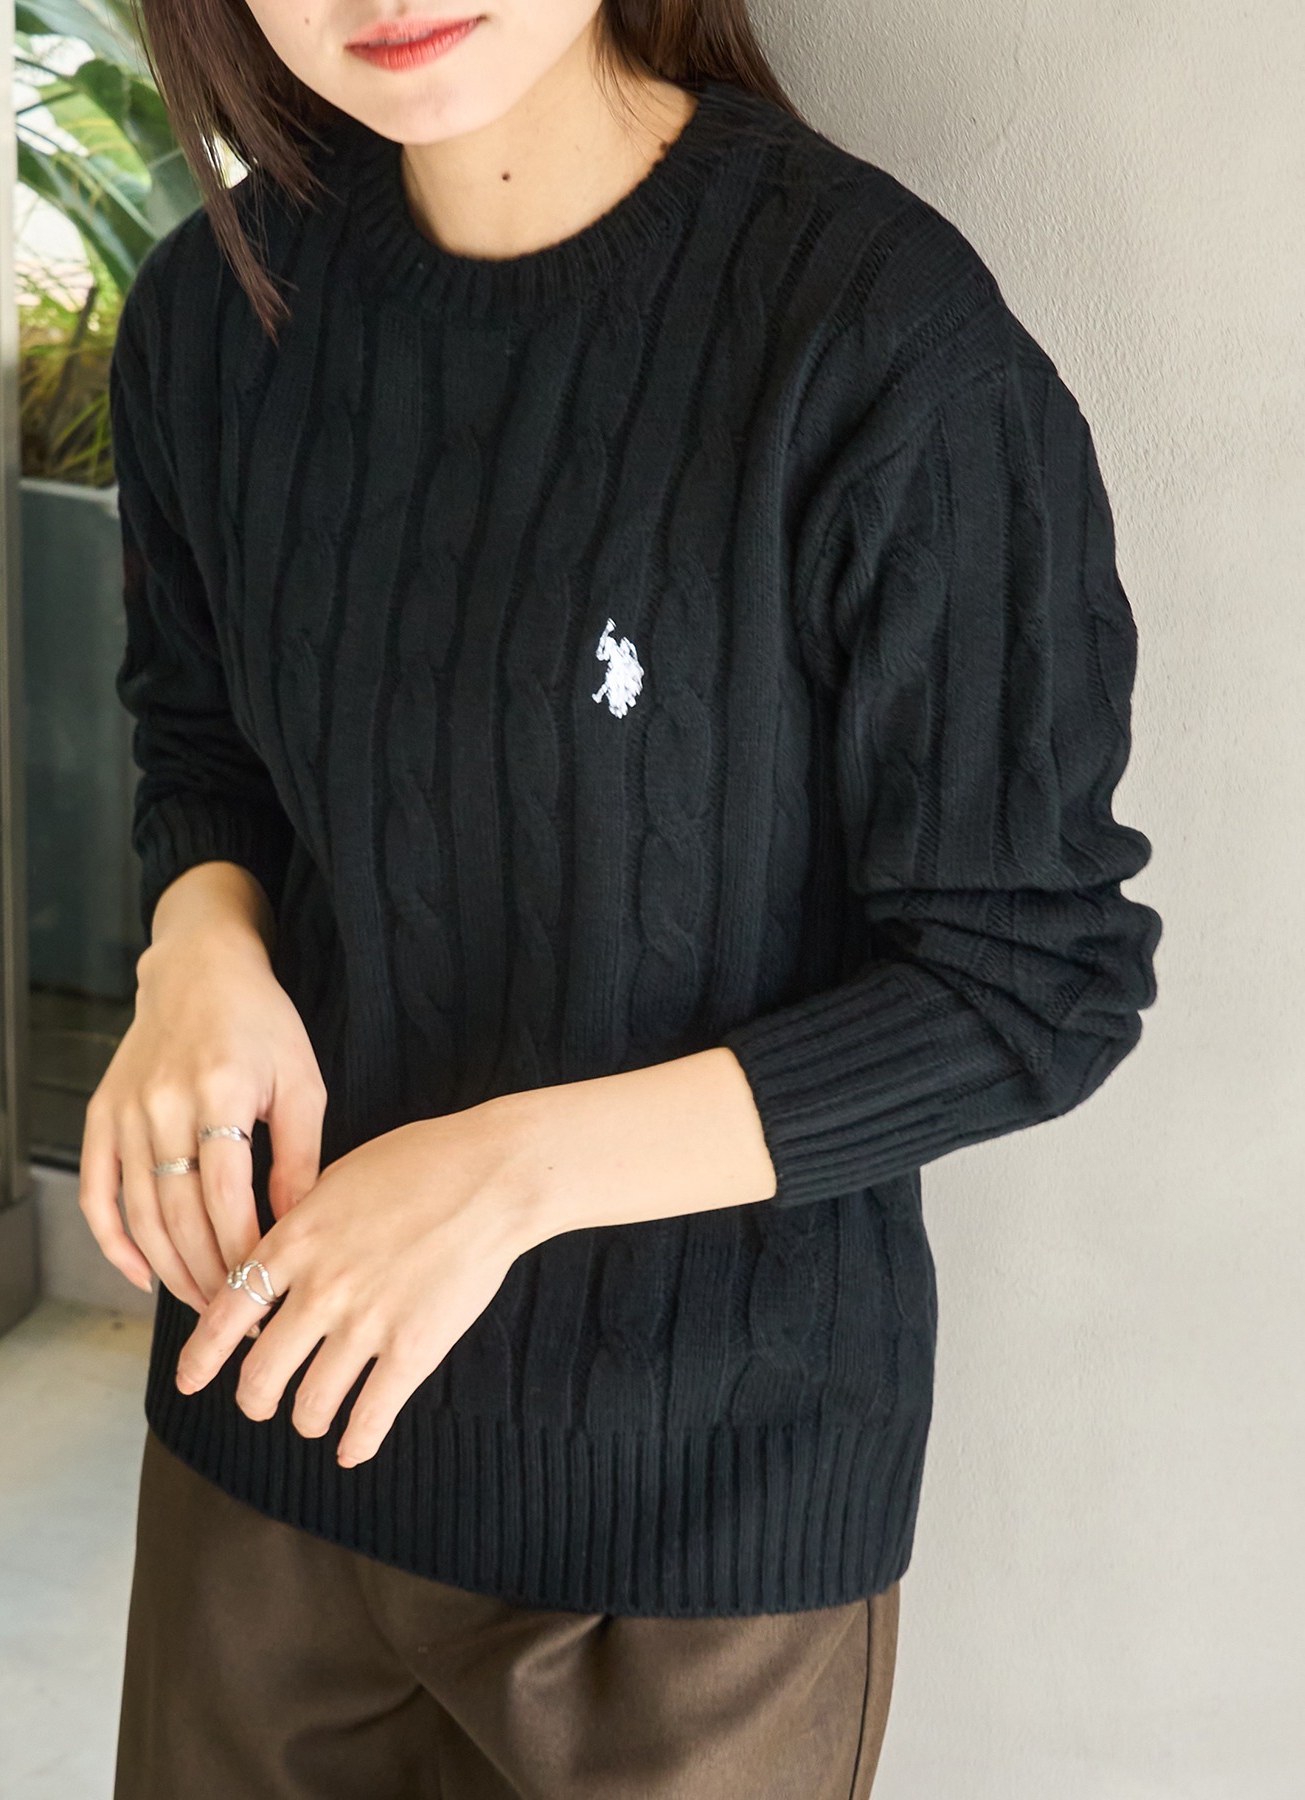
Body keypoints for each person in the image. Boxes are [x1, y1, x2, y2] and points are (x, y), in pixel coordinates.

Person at [78, 2, 1163, 1795]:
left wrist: (505, 1174)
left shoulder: (875, 341)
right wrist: (199, 944)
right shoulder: (214, 310)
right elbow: (205, 736)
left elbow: (1031, 980)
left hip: (693, 1536)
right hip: (263, 1422)